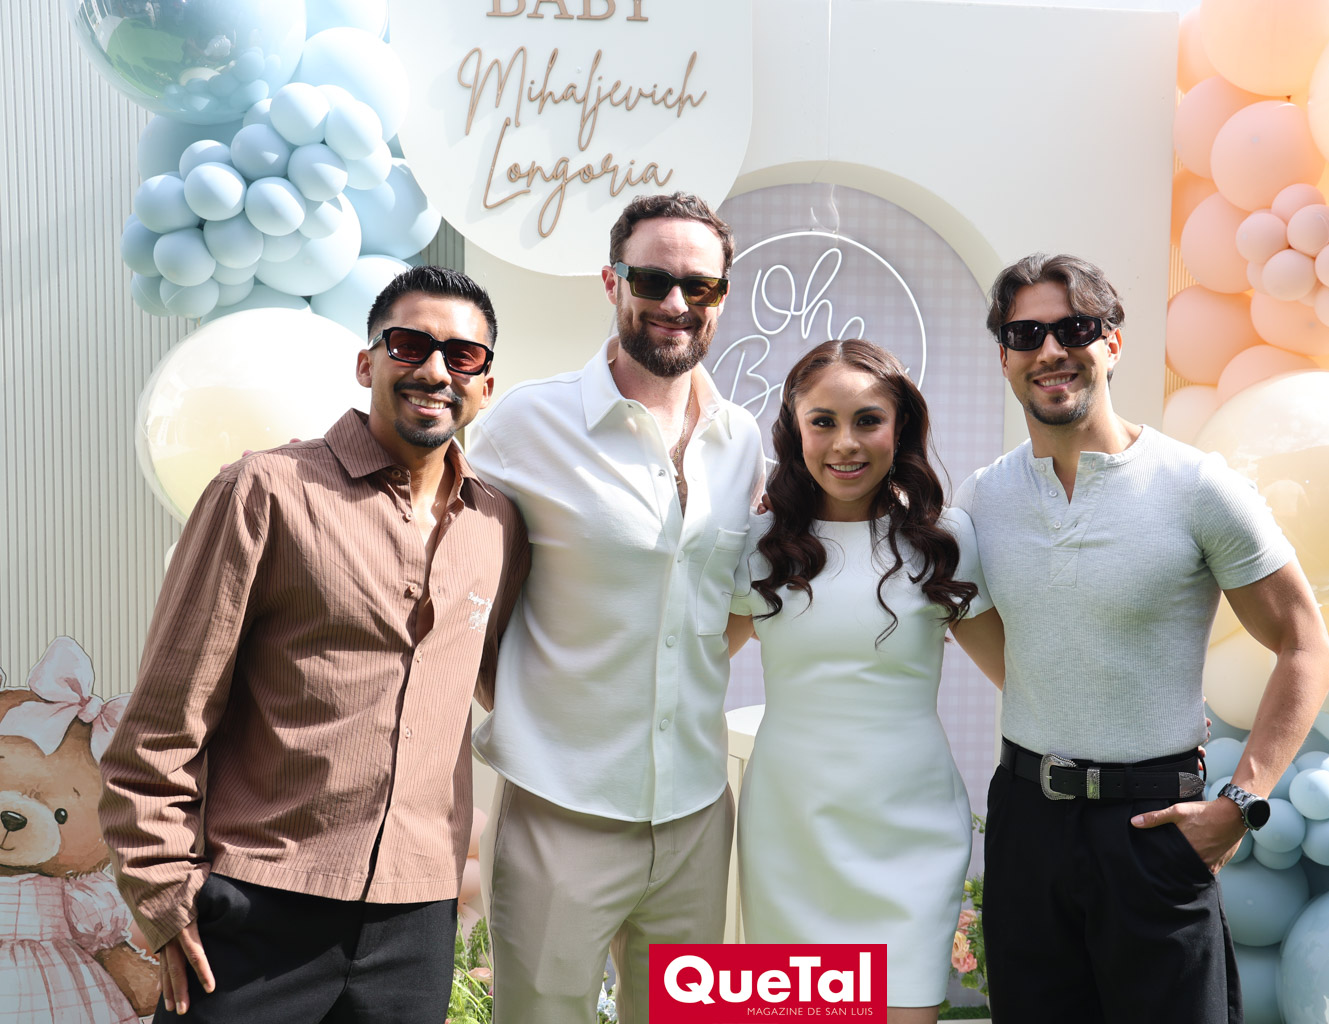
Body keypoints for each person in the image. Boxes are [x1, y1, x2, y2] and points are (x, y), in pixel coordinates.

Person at [98, 266, 529, 1023]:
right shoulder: (264, 491)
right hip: (254, 904)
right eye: (410, 345)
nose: (435, 370)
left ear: (486, 385)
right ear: (366, 363)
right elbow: (167, 715)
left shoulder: (498, 526)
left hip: (414, 921)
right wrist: (163, 890)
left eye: (462, 356)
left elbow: (505, 678)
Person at [955, 253, 1329, 1023]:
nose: (1051, 350)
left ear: (1113, 342)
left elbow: (1305, 645)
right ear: (1004, 357)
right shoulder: (983, 500)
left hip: (1155, 828)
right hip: (1028, 824)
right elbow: (1007, 648)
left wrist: (1243, 800)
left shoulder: (1198, 487)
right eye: (1027, 334)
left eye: (1074, 329)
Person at [467, 192, 764, 1023]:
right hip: (559, 810)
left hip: (697, 811)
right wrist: (522, 698)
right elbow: (462, 593)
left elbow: (724, 605)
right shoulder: (527, 422)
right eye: (653, 279)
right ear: (612, 282)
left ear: (721, 296)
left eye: (699, 286)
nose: (676, 302)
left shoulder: (742, 438)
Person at [725, 339, 1002, 1024]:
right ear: (795, 432)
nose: (845, 443)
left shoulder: (945, 542)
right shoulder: (760, 547)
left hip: (911, 831)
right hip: (790, 833)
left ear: (899, 428)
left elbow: (1020, 677)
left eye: (867, 420)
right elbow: (689, 667)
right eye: (822, 421)